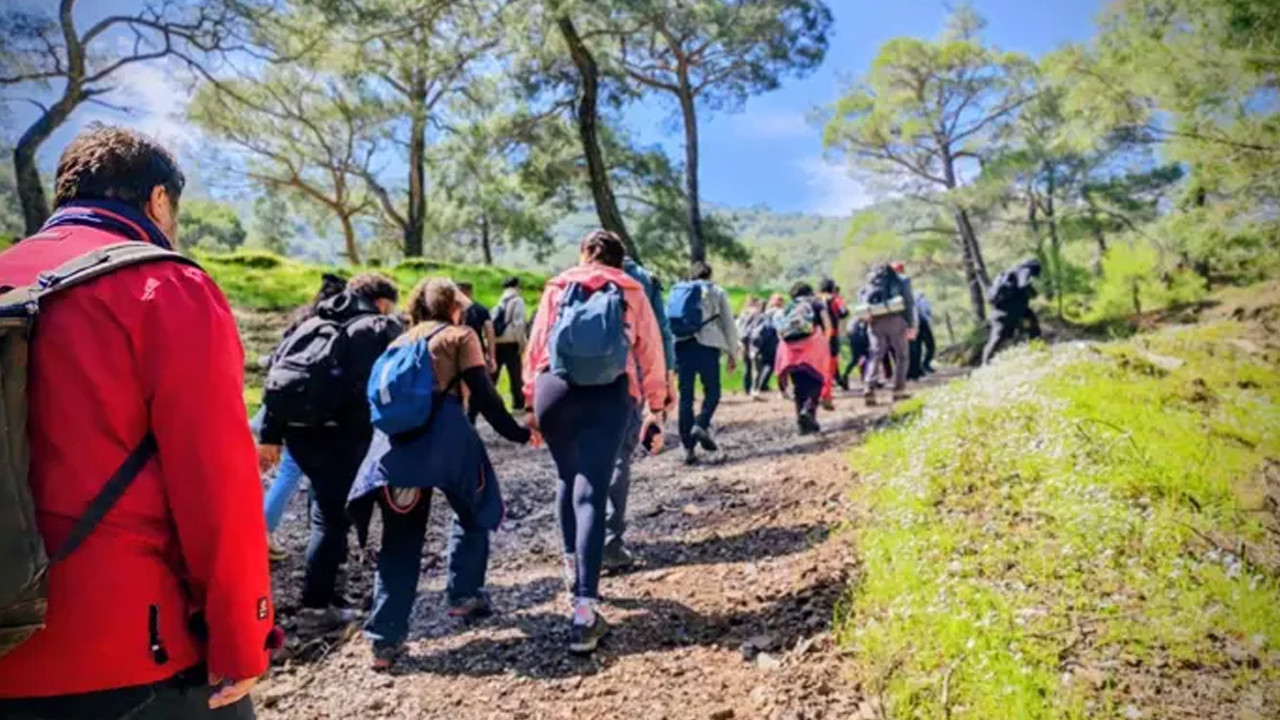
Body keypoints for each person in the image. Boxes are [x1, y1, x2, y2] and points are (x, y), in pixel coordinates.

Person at [0, 126, 272, 717]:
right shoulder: (167, 287)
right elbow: (218, 487)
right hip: (127, 651)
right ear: (156, 201)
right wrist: (242, 638)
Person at [349, 278, 534, 670]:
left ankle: (384, 640)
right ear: (454, 306)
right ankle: (464, 594)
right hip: (448, 443)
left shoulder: (399, 339)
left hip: (395, 449)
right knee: (474, 509)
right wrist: (519, 432)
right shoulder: (459, 335)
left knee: (399, 542)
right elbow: (483, 394)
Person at [523, 230, 667, 654]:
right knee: (591, 492)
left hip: (555, 390)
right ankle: (584, 614)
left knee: (566, 479)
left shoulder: (558, 286)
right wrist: (655, 407)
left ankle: (571, 569)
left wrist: (532, 402)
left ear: (585, 254)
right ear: (619, 261)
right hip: (607, 393)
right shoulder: (630, 289)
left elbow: (536, 347)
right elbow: (650, 352)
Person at [258, 273, 403, 629]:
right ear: (382, 301)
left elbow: (275, 378)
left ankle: (334, 592)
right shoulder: (376, 327)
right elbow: (386, 382)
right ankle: (317, 607)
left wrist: (270, 435)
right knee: (331, 517)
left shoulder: (312, 321)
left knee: (326, 510)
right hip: (340, 435)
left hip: (299, 434)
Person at [258, 273, 347, 562]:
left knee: (289, 471)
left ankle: (263, 532)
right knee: (295, 472)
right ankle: (264, 532)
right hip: (312, 412)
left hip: (282, 402)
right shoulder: (335, 326)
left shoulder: (303, 319)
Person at [603, 254, 677, 571]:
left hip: (573, 384)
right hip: (626, 381)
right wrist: (663, 386)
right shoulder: (642, 281)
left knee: (579, 463)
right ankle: (609, 544)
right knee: (618, 456)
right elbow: (659, 334)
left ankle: (576, 544)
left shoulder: (571, 279)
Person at [667, 261, 739, 465]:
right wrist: (733, 353)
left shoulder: (678, 290)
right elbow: (728, 323)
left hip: (682, 345)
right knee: (713, 391)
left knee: (686, 397)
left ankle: (688, 449)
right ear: (709, 274)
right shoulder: (716, 291)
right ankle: (701, 423)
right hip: (708, 345)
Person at [774, 283, 832, 434]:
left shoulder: (788, 307)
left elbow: (780, 330)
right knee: (816, 382)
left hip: (790, 350)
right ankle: (807, 410)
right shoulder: (817, 303)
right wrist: (825, 342)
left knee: (799, 387)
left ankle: (802, 426)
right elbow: (828, 326)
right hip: (812, 348)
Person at [856, 261, 916, 406]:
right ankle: (898, 391)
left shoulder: (869, 283)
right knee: (901, 355)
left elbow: (862, 302)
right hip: (896, 320)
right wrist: (911, 324)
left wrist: (865, 321)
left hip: (875, 321)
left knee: (875, 354)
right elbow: (908, 302)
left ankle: (868, 387)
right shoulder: (901, 281)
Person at [983, 259, 1042, 365]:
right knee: (1033, 328)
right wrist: (1033, 293)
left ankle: (986, 362)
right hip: (1012, 311)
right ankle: (1037, 350)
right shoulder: (1025, 270)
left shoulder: (1009, 273)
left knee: (998, 337)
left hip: (1003, 311)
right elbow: (1023, 285)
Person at [458, 281, 498, 422]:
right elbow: (490, 333)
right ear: (471, 292)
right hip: (476, 354)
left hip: (456, 354)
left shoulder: (451, 309)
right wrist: (491, 357)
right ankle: (471, 417)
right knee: (476, 386)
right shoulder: (480, 309)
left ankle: (461, 415)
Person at [491, 276, 529, 411]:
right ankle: (518, 405)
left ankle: (487, 403)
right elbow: (519, 325)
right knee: (515, 376)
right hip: (511, 343)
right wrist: (523, 344)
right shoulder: (517, 301)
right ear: (517, 286)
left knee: (493, 375)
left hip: (497, 342)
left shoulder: (500, 300)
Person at [817, 279, 849, 409]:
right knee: (829, 367)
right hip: (831, 336)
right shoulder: (835, 299)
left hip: (815, 338)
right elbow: (844, 313)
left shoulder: (815, 299)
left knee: (817, 367)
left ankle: (816, 393)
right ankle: (825, 395)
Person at [748, 294, 785, 398]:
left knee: (759, 366)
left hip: (758, 341)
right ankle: (764, 386)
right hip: (771, 341)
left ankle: (755, 387)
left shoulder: (764, 312)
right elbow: (780, 327)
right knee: (773, 364)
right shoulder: (778, 312)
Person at [735, 297, 764, 394]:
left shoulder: (743, 314)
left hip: (743, 340)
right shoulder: (757, 314)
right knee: (756, 367)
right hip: (753, 342)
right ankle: (754, 388)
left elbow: (737, 326)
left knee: (746, 365)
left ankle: (746, 388)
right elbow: (758, 329)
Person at [907, 290, 937, 380]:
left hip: (914, 324)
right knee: (928, 345)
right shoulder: (923, 300)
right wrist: (928, 320)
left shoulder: (910, 301)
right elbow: (925, 313)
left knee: (916, 348)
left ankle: (919, 368)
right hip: (920, 324)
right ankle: (922, 367)